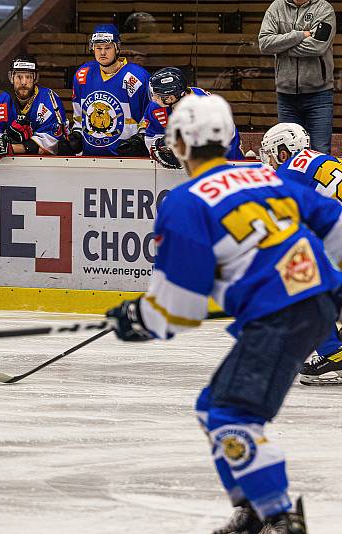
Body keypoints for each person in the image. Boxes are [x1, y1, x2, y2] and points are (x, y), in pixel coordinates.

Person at [106, 94, 342, 533]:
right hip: (311, 304)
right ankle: (253, 507)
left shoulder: (184, 202)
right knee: (211, 406)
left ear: (178, 143)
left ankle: (279, 518)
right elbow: (335, 223)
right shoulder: (262, 178)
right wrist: (322, 281)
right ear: (229, 136)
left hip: (281, 315)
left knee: (232, 417)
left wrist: (139, 319)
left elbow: (180, 308)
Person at [260, 122, 342, 385]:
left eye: (272, 154)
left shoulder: (288, 171)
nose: (271, 160)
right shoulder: (322, 159)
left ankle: (333, 354)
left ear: (284, 151)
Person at [123, 67, 244, 169]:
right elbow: (151, 137)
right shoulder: (156, 107)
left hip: (227, 164)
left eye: (158, 95)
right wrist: (158, 149)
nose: (154, 99)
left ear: (172, 97)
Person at [259, 0, 336, 153]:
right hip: (286, 98)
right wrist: (300, 35)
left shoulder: (324, 8)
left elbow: (317, 47)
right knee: (287, 153)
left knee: (320, 151)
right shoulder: (276, 7)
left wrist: (281, 47)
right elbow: (264, 43)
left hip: (319, 96)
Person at [67, 24, 150, 157]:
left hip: (127, 161)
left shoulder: (136, 78)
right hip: (89, 158)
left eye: (108, 48)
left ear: (117, 48)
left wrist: (140, 139)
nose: (103, 53)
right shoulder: (83, 75)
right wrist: (76, 135)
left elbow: (149, 116)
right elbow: (79, 117)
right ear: (92, 48)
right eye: (98, 48)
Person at [0, 55, 66, 165]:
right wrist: (8, 138)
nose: (24, 82)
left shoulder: (50, 100)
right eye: (19, 77)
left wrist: (11, 147)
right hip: (7, 169)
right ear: (11, 78)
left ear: (35, 78)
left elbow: (50, 147)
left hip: (45, 167)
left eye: (28, 77)